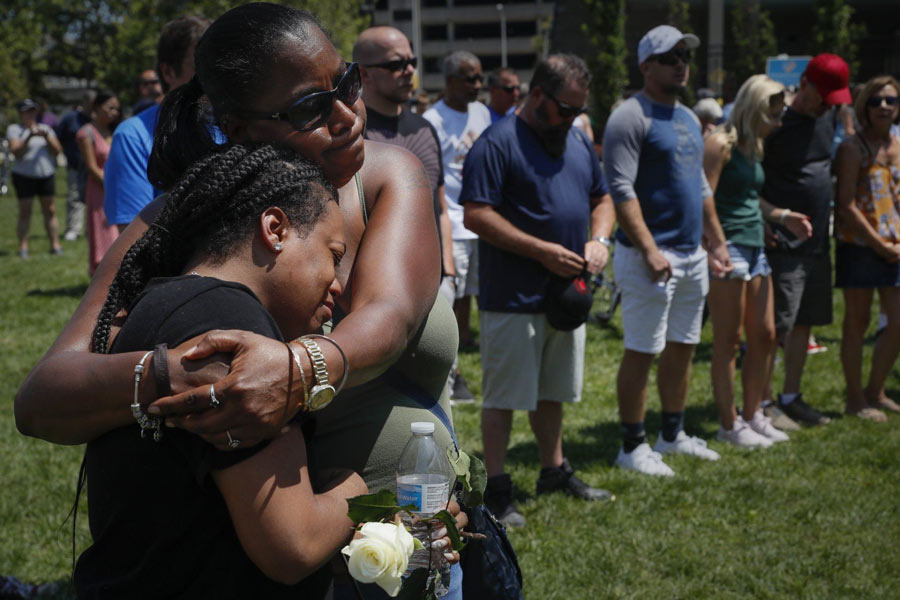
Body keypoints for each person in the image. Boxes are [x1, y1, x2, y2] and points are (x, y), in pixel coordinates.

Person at [15, 4, 464, 595]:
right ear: (239, 125)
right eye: (311, 106)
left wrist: (295, 369)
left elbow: (390, 318)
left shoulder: (387, 177)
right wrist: (172, 377)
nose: (347, 115)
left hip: (411, 542)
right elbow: (42, 398)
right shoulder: (186, 220)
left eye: (348, 83)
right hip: (278, 565)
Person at [74, 144, 368, 598]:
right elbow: (293, 546)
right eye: (333, 254)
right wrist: (357, 487)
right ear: (275, 229)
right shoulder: (231, 325)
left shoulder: (167, 302)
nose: (338, 283)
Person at [462, 54, 616, 526]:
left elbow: (603, 198)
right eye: (565, 109)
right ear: (537, 97)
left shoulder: (576, 141)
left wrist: (600, 239)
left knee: (553, 391)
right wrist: (541, 251)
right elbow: (476, 214)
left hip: (564, 296)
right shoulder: (496, 144)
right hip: (512, 297)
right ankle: (497, 487)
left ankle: (553, 469)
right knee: (505, 396)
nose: (572, 119)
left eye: (577, 110)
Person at [603, 25, 732, 476]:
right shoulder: (629, 116)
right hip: (648, 258)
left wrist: (716, 243)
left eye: (684, 55)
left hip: (691, 256)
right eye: (670, 56)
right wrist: (650, 249)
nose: (681, 63)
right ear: (646, 66)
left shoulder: (687, 119)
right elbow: (619, 189)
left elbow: (698, 187)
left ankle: (672, 434)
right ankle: (631, 445)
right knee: (643, 349)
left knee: (682, 345)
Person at [703, 75, 808, 448]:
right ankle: (729, 424)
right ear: (754, 108)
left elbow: (749, 198)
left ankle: (753, 415)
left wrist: (780, 216)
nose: (778, 123)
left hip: (755, 247)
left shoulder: (753, 146)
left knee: (764, 336)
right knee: (728, 342)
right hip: (728, 248)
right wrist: (716, 246)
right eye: (773, 115)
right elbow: (705, 198)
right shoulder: (719, 144)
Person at [762, 53, 852, 427]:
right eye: (825, 95)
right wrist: (772, 218)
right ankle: (762, 402)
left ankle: (791, 396)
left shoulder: (828, 113)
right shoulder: (775, 124)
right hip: (783, 243)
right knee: (774, 327)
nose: (830, 104)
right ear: (805, 86)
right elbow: (750, 182)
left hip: (817, 240)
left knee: (804, 323)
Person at [353, 26, 456, 296]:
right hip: (375, 288)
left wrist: (450, 272)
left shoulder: (425, 128)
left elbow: (441, 207)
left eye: (412, 62)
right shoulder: (349, 132)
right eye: (396, 64)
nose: (409, 70)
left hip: (435, 283)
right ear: (364, 74)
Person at [423, 51, 491, 402]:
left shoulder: (482, 113)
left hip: (485, 221)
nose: (477, 86)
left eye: (479, 78)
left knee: (474, 296)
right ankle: (451, 370)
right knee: (453, 296)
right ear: (449, 81)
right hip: (454, 222)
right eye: (469, 79)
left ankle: (464, 351)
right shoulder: (432, 120)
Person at [833, 74, 900, 422]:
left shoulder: (898, 146)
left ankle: (877, 389)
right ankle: (856, 398)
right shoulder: (851, 148)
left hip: (895, 246)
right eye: (876, 101)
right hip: (858, 246)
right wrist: (879, 244)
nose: (884, 107)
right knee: (856, 324)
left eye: (890, 100)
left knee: (897, 322)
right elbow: (845, 205)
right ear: (864, 107)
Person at [104, 15, 210, 231]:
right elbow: (137, 242)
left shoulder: (238, 125)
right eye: (202, 64)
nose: (216, 74)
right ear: (168, 71)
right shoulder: (132, 137)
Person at [6, 98, 63, 259]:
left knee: (50, 210)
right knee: (25, 211)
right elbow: (16, 151)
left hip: (45, 174)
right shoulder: (15, 130)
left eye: (32, 111)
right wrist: (29, 136)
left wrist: (46, 137)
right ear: (21, 114)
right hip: (24, 176)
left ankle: (55, 244)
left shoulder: (45, 128)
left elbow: (57, 150)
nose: (30, 114)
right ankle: (23, 247)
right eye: (26, 111)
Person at [76, 90, 121, 275]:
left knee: (118, 235)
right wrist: (111, 185)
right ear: (96, 107)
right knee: (103, 235)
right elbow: (92, 167)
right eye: (109, 107)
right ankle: (101, 277)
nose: (113, 112)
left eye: (116, 109)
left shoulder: (114, 131)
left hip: (117, 189)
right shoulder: (86, 133)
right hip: (99, 191)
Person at [57, 90, 95, 241]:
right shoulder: (70, 118)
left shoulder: (97, 119)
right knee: (74, 197)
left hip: (95, 166)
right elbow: (59, 137)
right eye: (90, 105)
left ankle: (90, 229)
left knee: (94, 198)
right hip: (75, 164)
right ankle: (73, 229)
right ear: (84, 103)